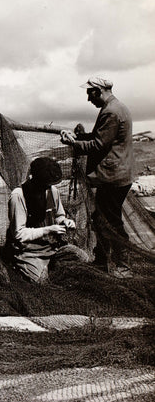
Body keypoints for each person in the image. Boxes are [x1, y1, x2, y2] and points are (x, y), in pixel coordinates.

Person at [60, 77, 134, 278]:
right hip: (117, 174)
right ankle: (103, 260)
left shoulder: (111, 111)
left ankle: (122, 266)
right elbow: (99, 137)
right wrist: (79, 137)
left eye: (89, 94)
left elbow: (98, 145)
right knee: (102, 219)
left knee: (111, 222)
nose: (88, 99)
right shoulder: (118, 107)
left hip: (113, 176)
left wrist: (72, 143)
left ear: (98, 91)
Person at [6, 157, 83, 283]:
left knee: (81, 258)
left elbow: (59, 215)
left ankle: (48, 265)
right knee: (40, 280)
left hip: (52, 247)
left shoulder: (53, 191)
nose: (48, 188)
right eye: (46, 185)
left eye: (51, 185)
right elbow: (19, 234)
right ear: (36, 180)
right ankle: (21, 265)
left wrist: (65, 222)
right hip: (28, 250)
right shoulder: (18, 196)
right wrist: (48, 230)